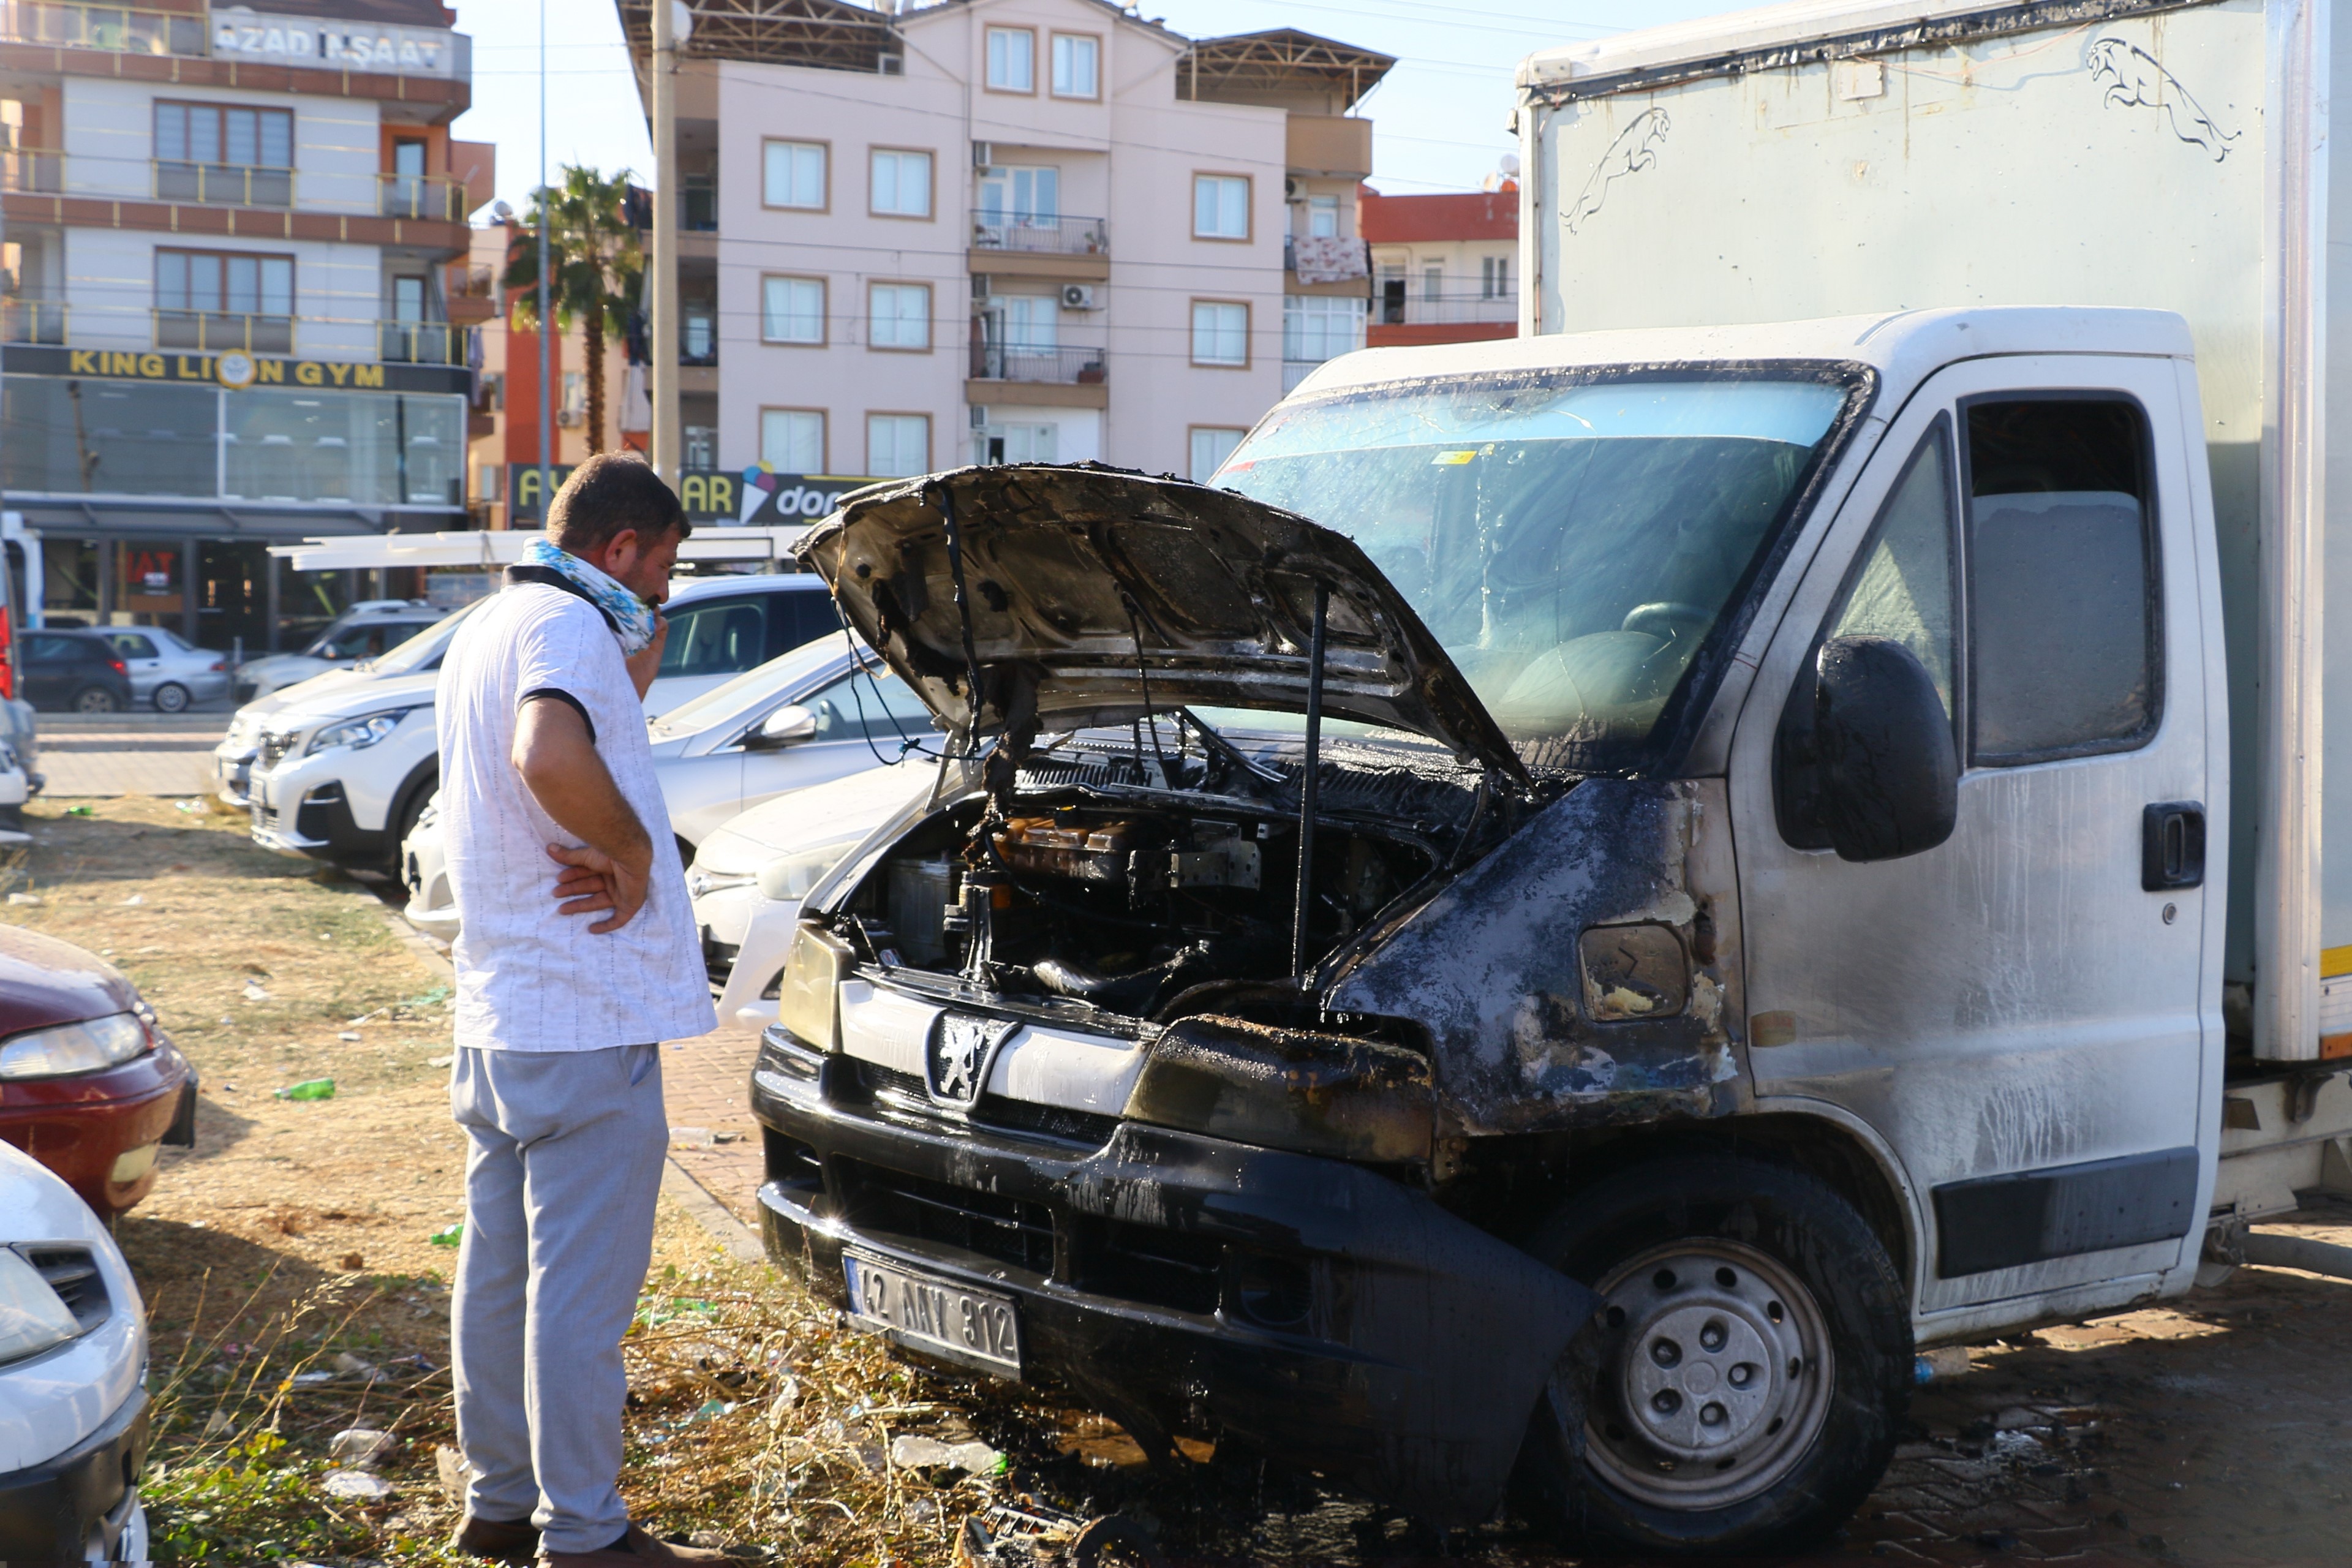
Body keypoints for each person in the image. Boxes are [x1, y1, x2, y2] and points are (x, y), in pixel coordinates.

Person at [435, 454, 723, 1566]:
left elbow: (588, 724)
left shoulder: (493, 626)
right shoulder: (563, 630)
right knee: (579, 1300)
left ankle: (501, 1507)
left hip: (502, 1015)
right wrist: (633, 851)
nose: (666, 590)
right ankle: (589, 1536)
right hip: (583, 1016)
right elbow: (550, 750)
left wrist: (633, 645)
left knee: (498, 1275)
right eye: (664, 566)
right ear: (619, 549)